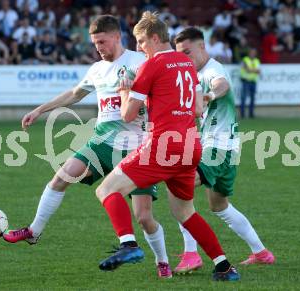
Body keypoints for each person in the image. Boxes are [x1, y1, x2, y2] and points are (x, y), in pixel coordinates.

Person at [3, 15, 172, 278]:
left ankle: (162, 262)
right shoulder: (96, 69)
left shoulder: (140, 62)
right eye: (95, 44)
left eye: (102, 42)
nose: (99, 48)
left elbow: (160, 95)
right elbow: (74, 94)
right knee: (61, 177)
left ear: (117, 37)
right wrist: (39, 110)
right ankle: (34, 232)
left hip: (137, 146)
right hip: (102, 141)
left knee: (144, 217)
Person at [95, 12, 239, 281]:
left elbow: (127, 115)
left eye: (141, 41)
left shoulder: (150, 66)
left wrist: (125, 89)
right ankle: (224, 267)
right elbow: (198, 109)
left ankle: (129, 245)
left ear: (155, 37)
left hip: (163, 146)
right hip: (190, 145)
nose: (139, 48)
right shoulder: (187, 63)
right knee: (185, 212)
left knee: (106, 189)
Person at [172, 27, 274, 274]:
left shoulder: (212, 70)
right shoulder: (194, 74)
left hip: (218, 148)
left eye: (188, 52)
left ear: (202, 46)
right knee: (219, 206)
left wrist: (208, 95)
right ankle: (261, 252)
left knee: (178, 189)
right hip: (225, 147)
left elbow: (222, 85)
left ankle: (191, 254)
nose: (185, 58)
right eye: (180, 54)